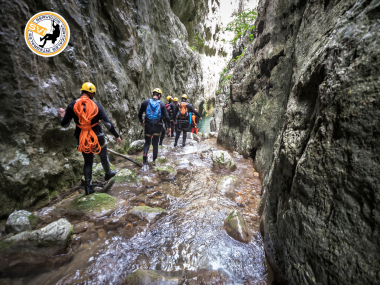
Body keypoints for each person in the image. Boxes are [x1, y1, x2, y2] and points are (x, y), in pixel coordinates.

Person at [58, 82, 121, 195]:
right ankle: (108, 173)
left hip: (83, 138)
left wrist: (63, 114)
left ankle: (88, 187)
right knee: (103, 156)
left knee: (88, 162)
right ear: (92, 93)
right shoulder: (96, 105)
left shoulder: (72, 106)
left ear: (82, 91)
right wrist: (116, 135)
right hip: (98, 137)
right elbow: (108, 124)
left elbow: (65, 124)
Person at [138, 88, 171, 166]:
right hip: (157, 126)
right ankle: (154, 161)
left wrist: (142, 121)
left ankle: (145, 155)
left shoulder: (146, 102)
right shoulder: (162, 104)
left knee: (147, 142)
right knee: (155, 144)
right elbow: (167, 117)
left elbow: (139, 114)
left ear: (153, 94)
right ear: (159, 95)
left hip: (148, 125)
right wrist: (169, 127)